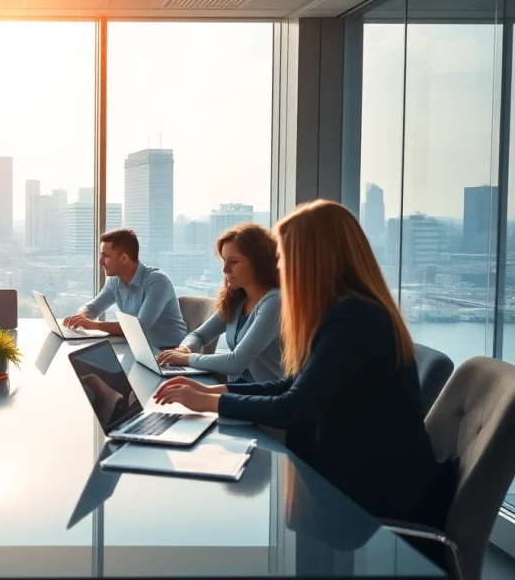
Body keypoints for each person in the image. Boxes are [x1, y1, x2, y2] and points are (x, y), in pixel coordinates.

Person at [153, 199, 455, 533]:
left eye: (283, 256)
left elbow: (295, 408)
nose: (279, 267)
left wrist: (212, 402)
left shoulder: (353, 318)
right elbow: (293, 385)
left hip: (376, 492)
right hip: (356, 472)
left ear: (312, 260)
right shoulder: (346, 311)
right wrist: (216, 390)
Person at [157, 223, 283, 382]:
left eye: (234, 262)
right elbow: (199, 335)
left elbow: (236, 362)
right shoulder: (237, 300)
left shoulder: (274, 302)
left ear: (258, 262)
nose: (225, 270)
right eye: (224, 261)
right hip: (236, 393)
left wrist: (186, 359)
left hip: (268, 400)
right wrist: (185, 348)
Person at [62, 228, 187, 348]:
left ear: (123, 258)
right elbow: (93, 308)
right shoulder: (114, 281)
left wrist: (93, 325)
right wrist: (81, 316)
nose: (100, 261)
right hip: (138, 348)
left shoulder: (158, 281)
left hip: (170, 353)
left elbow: (138, 327)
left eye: (105, 256)